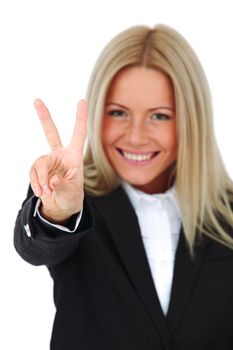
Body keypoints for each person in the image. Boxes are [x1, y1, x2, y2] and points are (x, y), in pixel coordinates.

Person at [14, 23, 233, 350]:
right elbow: (35, 246)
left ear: (191, 119)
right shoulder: (76, 201)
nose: (135, 136)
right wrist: (59, 210)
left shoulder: (226, 213)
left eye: (159, 116)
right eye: (118, 113)